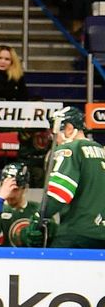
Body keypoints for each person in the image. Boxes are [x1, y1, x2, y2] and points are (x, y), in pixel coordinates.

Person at [44, 106, 105, 247]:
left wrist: (38, 218)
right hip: (101, 233)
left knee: (49, 266)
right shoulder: (101, 151)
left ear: (69, 128)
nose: (54, 138)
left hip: (77, 231)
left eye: (55, 132)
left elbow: (59, 193)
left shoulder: (69, 149)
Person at [0, 162, 49, 247]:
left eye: (15, 190)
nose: (11, 194)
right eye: (7, 188)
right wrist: (0, 199)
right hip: (1, 259)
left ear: (25, 188)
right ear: (0, 186)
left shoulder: (38, 210)